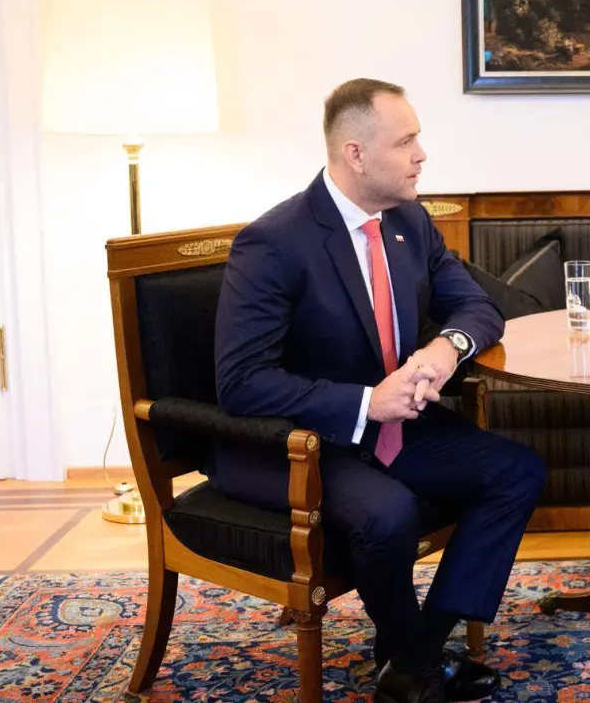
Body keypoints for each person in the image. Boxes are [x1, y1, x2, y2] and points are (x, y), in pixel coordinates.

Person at [212, 78, 546, 703]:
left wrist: (446, 348)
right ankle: (419, 662)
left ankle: (414, 655)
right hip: (303, 442)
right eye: (407, 140)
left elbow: (477, 306)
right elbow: (242, 381)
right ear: (355, 154)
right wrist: (367, 403)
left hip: (395, 429)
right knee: (387, 515)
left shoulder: (410, 222)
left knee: (516, 471)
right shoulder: (274, 242)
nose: (423, 154)